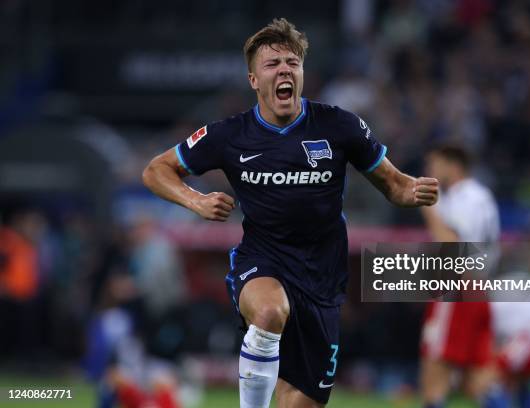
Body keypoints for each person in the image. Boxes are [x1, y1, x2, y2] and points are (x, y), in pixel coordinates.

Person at [142, 18, 439, 408]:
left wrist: (414, 189)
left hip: (323, 278)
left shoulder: (340, 126)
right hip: (263, 261)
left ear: (301, 73)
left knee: (299, 402)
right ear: (253, 79)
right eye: (272, 64)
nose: (284, 70)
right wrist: (196, 200)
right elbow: (155, 171)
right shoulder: (229, 135)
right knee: (268, 313)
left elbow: (394, 185)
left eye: (292, 63)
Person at [418, 145, 503, 408]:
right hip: (479, 288)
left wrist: (428, 207)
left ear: (453, 166)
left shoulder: (464, 197)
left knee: (434, 365)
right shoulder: (481, 196)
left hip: (458, 287)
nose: (429, 171)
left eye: (435, 165)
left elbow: (453, 245)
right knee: (476, 375)